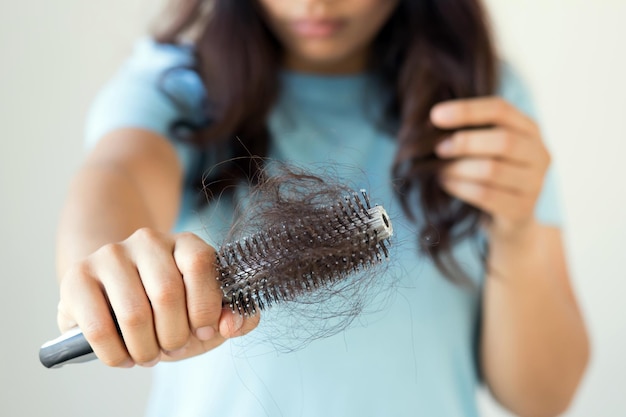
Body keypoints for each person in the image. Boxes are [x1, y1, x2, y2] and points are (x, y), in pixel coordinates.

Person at [55, 0, 590, 416]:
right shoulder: (178, 86)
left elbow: (542, 396)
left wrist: (519, 234)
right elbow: (117, 173)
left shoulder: (484, 102)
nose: (313, 3)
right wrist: (105, 268)